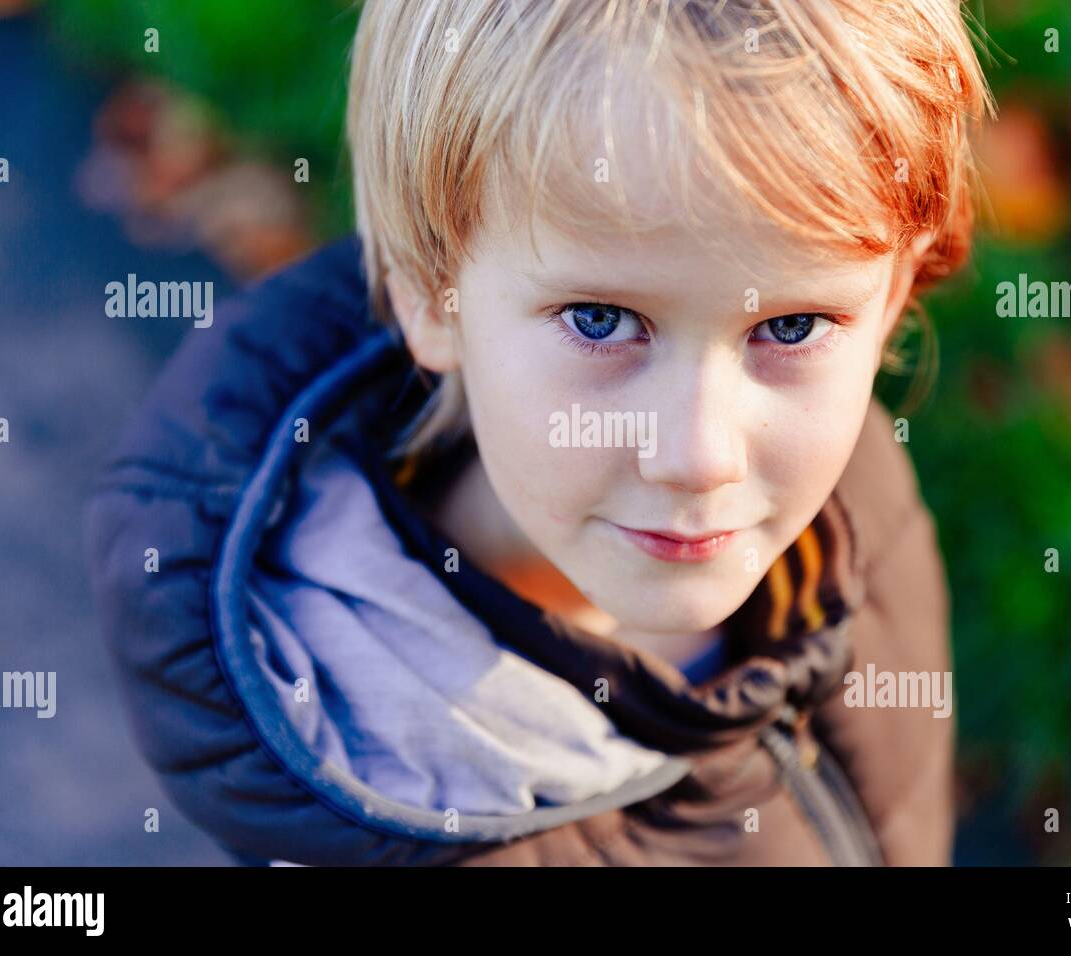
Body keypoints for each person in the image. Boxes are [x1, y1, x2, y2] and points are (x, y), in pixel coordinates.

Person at [84, 0, 993, 866]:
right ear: (426, 287)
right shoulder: (370, 778)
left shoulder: (858, 495)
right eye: (599, 321)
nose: (700, 456)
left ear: (895, 298)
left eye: (789, 328)